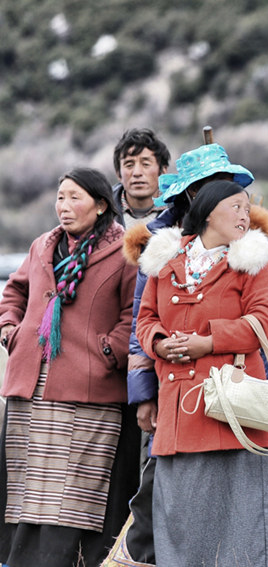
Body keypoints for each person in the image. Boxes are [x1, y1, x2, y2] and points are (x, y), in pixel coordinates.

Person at [113, 142, 268, 565]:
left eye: (243, 202)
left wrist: (207, 342)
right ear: (201, 204)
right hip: (180, 404)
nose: (243, 213)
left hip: (234, 402)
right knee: (181, 515)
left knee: (244, 519)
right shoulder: (163, 255)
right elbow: (143, 319)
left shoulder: (254, 255)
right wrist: (160, 344)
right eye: (233, 203)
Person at [0, 167, 140, 566]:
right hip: (32, 385)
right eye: (60, 197)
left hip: (90, 389)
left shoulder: (125, 249)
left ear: (100, 205)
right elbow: (14, 292)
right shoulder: (42, 245)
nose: (64, 206)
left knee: (77, 489)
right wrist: (12, 330)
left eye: (74, 197)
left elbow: (136, 312)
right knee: (27, 484)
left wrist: (107, 352)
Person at [112, 128, 171, 229]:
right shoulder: (103, 211)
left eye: (146, 164)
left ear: (162, 171)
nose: (137, 173)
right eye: (129, 165)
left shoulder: (181, 210)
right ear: (119, 174)